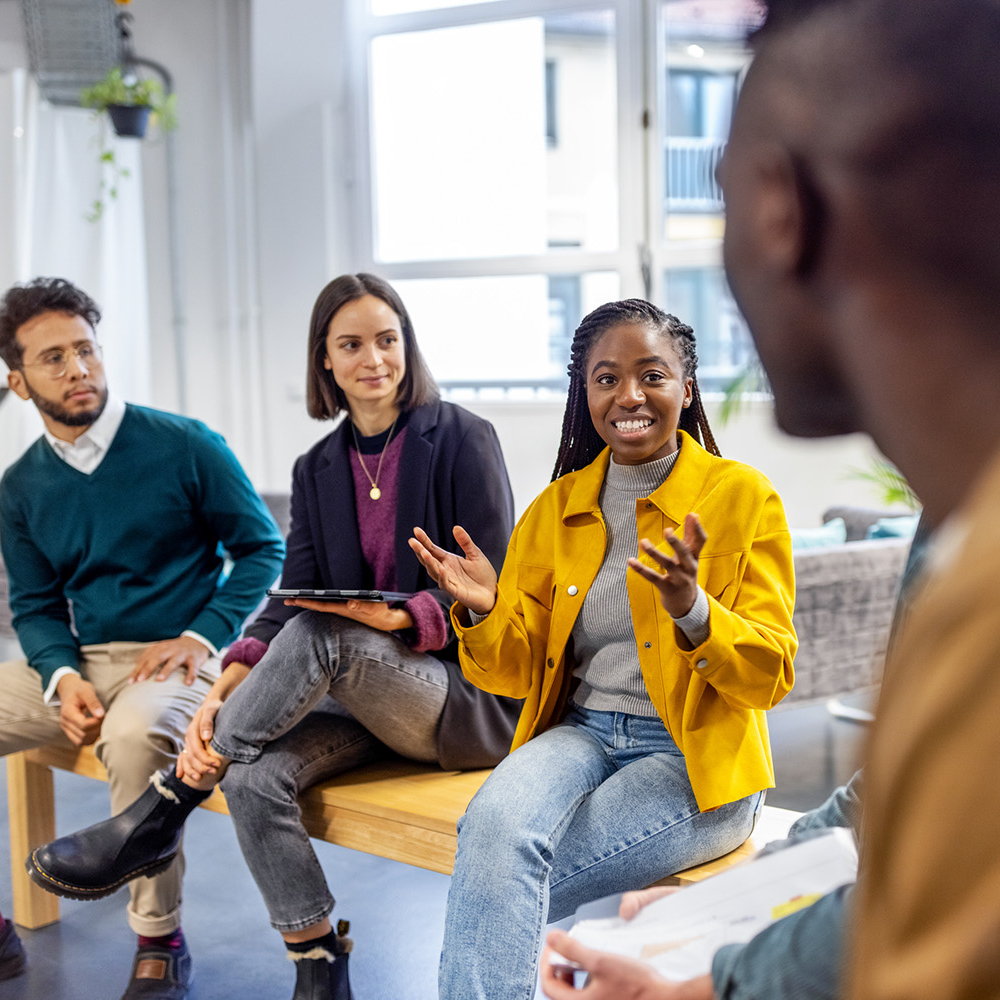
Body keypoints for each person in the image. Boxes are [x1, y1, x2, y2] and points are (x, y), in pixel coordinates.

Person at [26, 272, 520, 1000]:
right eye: (351, 344)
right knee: (254, 773)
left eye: (388, 340)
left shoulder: (463, 438)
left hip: (454, 697)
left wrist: (405, 615)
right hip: (357, 698)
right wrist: (228, 678)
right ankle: (317, 964)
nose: (373, 358)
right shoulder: (317, 467)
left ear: (408, 346)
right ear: (325, 359)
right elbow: (290, 595)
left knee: (331, 635)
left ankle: (165, 806)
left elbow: (499, 593)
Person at [410, 298, 797, 999]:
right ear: (583, 393)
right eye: (606, 378)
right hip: (582, 733)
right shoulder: (556, 508)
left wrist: (695, 611)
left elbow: (770, 675)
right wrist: (485, 611)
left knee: (502, 876)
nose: (629, 396)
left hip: (694, 756)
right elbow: (514, 673)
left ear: (686, 386)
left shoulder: (743, 498)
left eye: (652, 374)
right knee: (495, 830)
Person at [0, 277, 285, 998]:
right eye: (54, 359)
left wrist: (204, 633)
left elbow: (261, 548)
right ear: (18, 381)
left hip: (176, 658)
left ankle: (159, 938)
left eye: (86, 351)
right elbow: (34, 604)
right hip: (85, 662)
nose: (79, 370)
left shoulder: (185, 445)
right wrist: (60, 678)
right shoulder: (19, 486)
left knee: (132, 740)